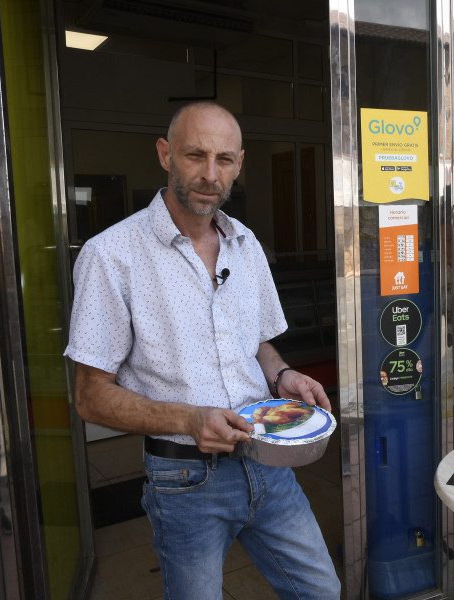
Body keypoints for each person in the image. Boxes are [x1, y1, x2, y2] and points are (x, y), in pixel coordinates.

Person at [65, 101, 341, 599]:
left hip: (268, 464)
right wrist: (190, 420)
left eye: (225, 160)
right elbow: (90, 398)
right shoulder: (111, 255)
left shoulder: (247, 244)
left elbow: (258, 344)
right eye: (195, 155)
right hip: (184, 479)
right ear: (165, 154)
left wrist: (283, 378)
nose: (210, 175)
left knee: (321, 591)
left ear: (240, 164)